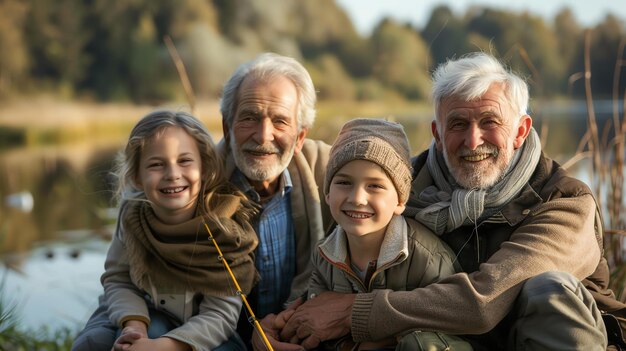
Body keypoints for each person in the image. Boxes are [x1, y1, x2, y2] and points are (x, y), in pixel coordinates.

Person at [274, 52, 626, 350]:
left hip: (551, 339)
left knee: (550, 289)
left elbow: (485, 301)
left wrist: (356, 312)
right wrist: (285, 321)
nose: (473, 141)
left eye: (490, 122)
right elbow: (338, 250)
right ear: (437, 134)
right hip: (456, 343)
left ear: (520, 130)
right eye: (457, 123)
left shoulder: (565, 200)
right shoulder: (396, 187)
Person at [255, 118, 461, 351]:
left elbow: (446, 322)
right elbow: (310, 311)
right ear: (328, 195)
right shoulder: (325, 254)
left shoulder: (429, 258)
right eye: (344, 182)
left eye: (374, 186)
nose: (357, 198)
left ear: (401, 200)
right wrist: (281, 327)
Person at [71, 110, 259, 351]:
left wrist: (162, 347)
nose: (172, 175)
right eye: (157, 165)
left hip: (203, 333)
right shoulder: (132, 216)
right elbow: (118, 279)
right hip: (140, 314)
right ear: (137, 176)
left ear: (203, 166)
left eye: (184, 161)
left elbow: (220, 315)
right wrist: (134, 326)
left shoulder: (224, 227)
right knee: (93, 343)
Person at [217, 52, 332, 348]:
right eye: (249, 118)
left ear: (300, 137)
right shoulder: (193, 178)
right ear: (227, 127)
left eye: (280, 121)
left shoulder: (331, 172)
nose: (263, 135)